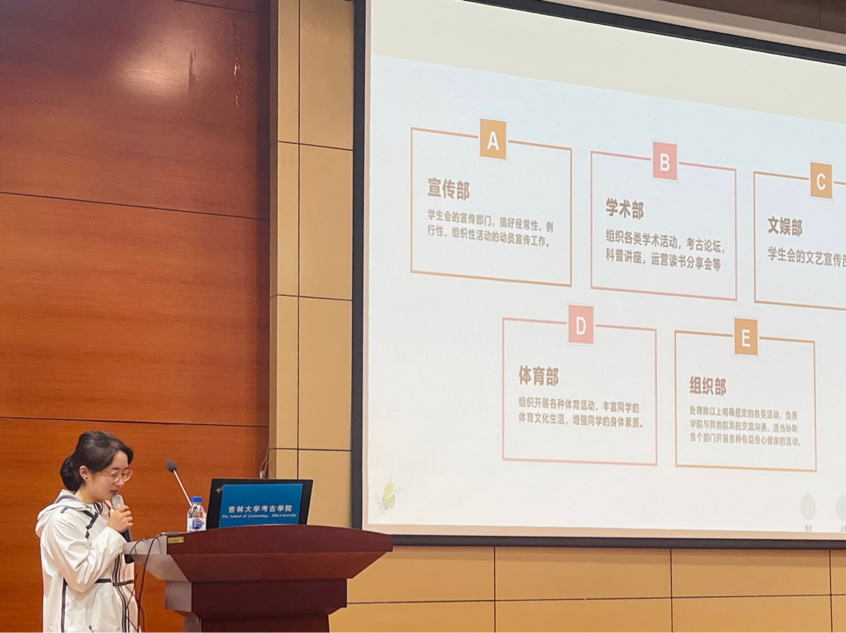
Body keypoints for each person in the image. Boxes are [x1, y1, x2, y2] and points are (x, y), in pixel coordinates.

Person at [35, 431, 138, 633]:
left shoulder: (108, 514)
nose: (120, 482)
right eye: (113, 474)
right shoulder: (61, 520)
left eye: (124, 473)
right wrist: (111, 532)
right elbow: (80, 577)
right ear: (85, 473)